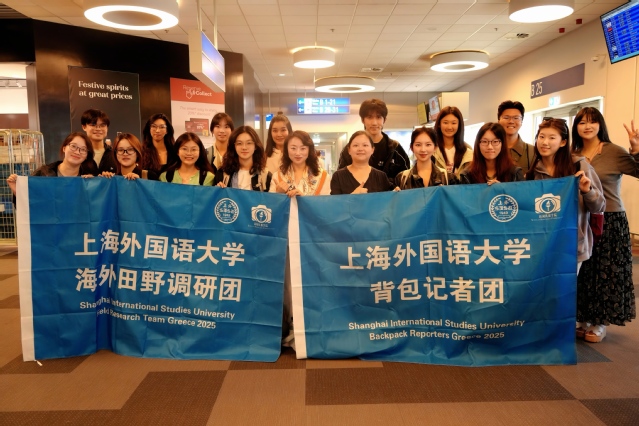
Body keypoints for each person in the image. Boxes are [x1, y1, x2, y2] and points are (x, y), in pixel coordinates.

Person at [571, 107, 638, 343]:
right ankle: (582, 318)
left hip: (610, 218)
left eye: (592, 122)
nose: (587, 126)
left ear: (600, 125)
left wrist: (636, 149)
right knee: (584, 271)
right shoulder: (571, 154)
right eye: (582, 122)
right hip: (581, 218)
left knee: (605, 272)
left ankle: (599, 322)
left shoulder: (614, 152)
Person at [525, 117, 604, 270]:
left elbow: (599, 206)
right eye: (541, 136)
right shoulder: (532, 172)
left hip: (572, 244)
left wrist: (587, 191)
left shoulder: (579, 166)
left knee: (564, 285)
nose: (544, 142)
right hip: (542, 245)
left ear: (563, 142)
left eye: (551, 138)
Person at [337, 99, 409, 180]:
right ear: (363, 120)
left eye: (378, 117)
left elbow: (406, 178)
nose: (374, 123)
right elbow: (341, 179)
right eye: (369, 117)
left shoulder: (395, 148)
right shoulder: (351, 149)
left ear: (384, 120)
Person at [6, 132, 95, 195]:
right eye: (73, 146)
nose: (77, 152)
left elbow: (95, 206)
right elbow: (31, 202)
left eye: (83, 149)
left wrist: (97, 184)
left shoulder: (89, 178)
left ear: (87, 155)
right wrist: (17, 192)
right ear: (64, 148)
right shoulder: (43, 173)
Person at [459, 122, 524, 184]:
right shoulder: (467, 175)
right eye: (484, 141)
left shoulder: (515, 173)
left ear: (502, 144)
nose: (490, 147)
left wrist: (503, 189)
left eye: (495, 142)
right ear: (478, 144)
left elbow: (521, 192)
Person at [270, 130, 330, 196]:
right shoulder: (277, 176)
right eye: (293, 148)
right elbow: (270, 201)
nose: (298, 153)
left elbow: (325, 202)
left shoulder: (322, 176)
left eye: (303, 148)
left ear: (309, 150)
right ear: (287, 150)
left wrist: (303, 199)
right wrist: (278, 193)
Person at [214, 126, 272, 191]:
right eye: (239, 143)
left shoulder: (266, 176)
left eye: (249, 143)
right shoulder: (222, 173)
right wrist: (218, 191)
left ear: (255, 146)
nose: (244, 147)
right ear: (234, 146)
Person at [433, 106, 472, 177]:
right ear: (439, 124)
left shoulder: (468, 151)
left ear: (459, 125)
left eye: (453, 123)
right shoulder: (432, 150)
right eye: (445, 123)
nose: (449, 127)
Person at [498, 100, 535, 171]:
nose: (511, 121)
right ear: (499, 121)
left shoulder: (532, 151)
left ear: (521, 121)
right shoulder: (491, 149)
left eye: (516, 118)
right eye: (506, 118)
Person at [81, 109, 117, 174]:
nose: (98, 129)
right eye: (93, 124)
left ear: (107, 128)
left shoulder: (114, 154)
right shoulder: (78, 153)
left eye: (103, 125)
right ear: (84, 127)